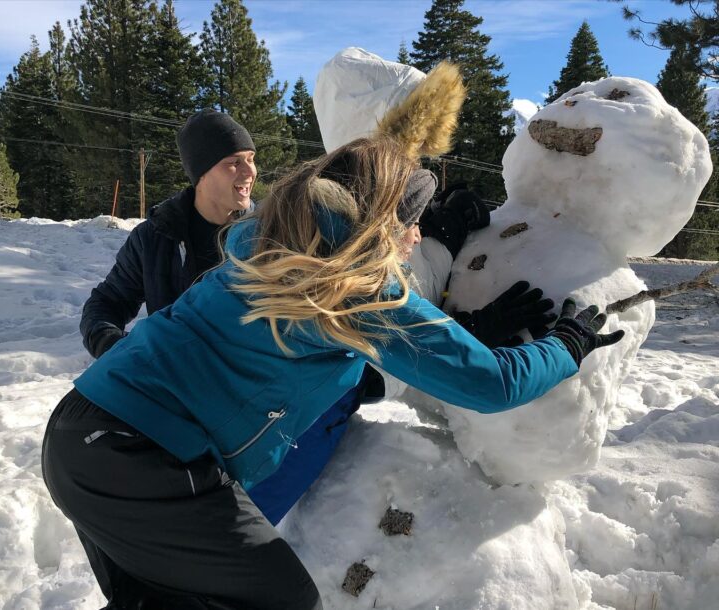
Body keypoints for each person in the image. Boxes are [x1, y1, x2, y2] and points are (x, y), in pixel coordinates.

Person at [43, 135, 624, 609]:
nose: (418, 235)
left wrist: (463, 332)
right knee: (286, 597)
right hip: (142, 457)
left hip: (76, 434)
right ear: (381, 222)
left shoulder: (267, 248)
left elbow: (337, 359)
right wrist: (568, 344)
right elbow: (492, 385)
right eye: (414, 220)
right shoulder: (354, 289)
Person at [79, 109, 370, 528]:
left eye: (251, 158)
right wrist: (112, 346)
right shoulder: (156, 236)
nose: (249, 171)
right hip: (180, 394)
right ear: (201, 173)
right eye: (233, 162)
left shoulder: (272, 232)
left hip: (256, 395)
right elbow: (106, 302)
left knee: (233, 519)